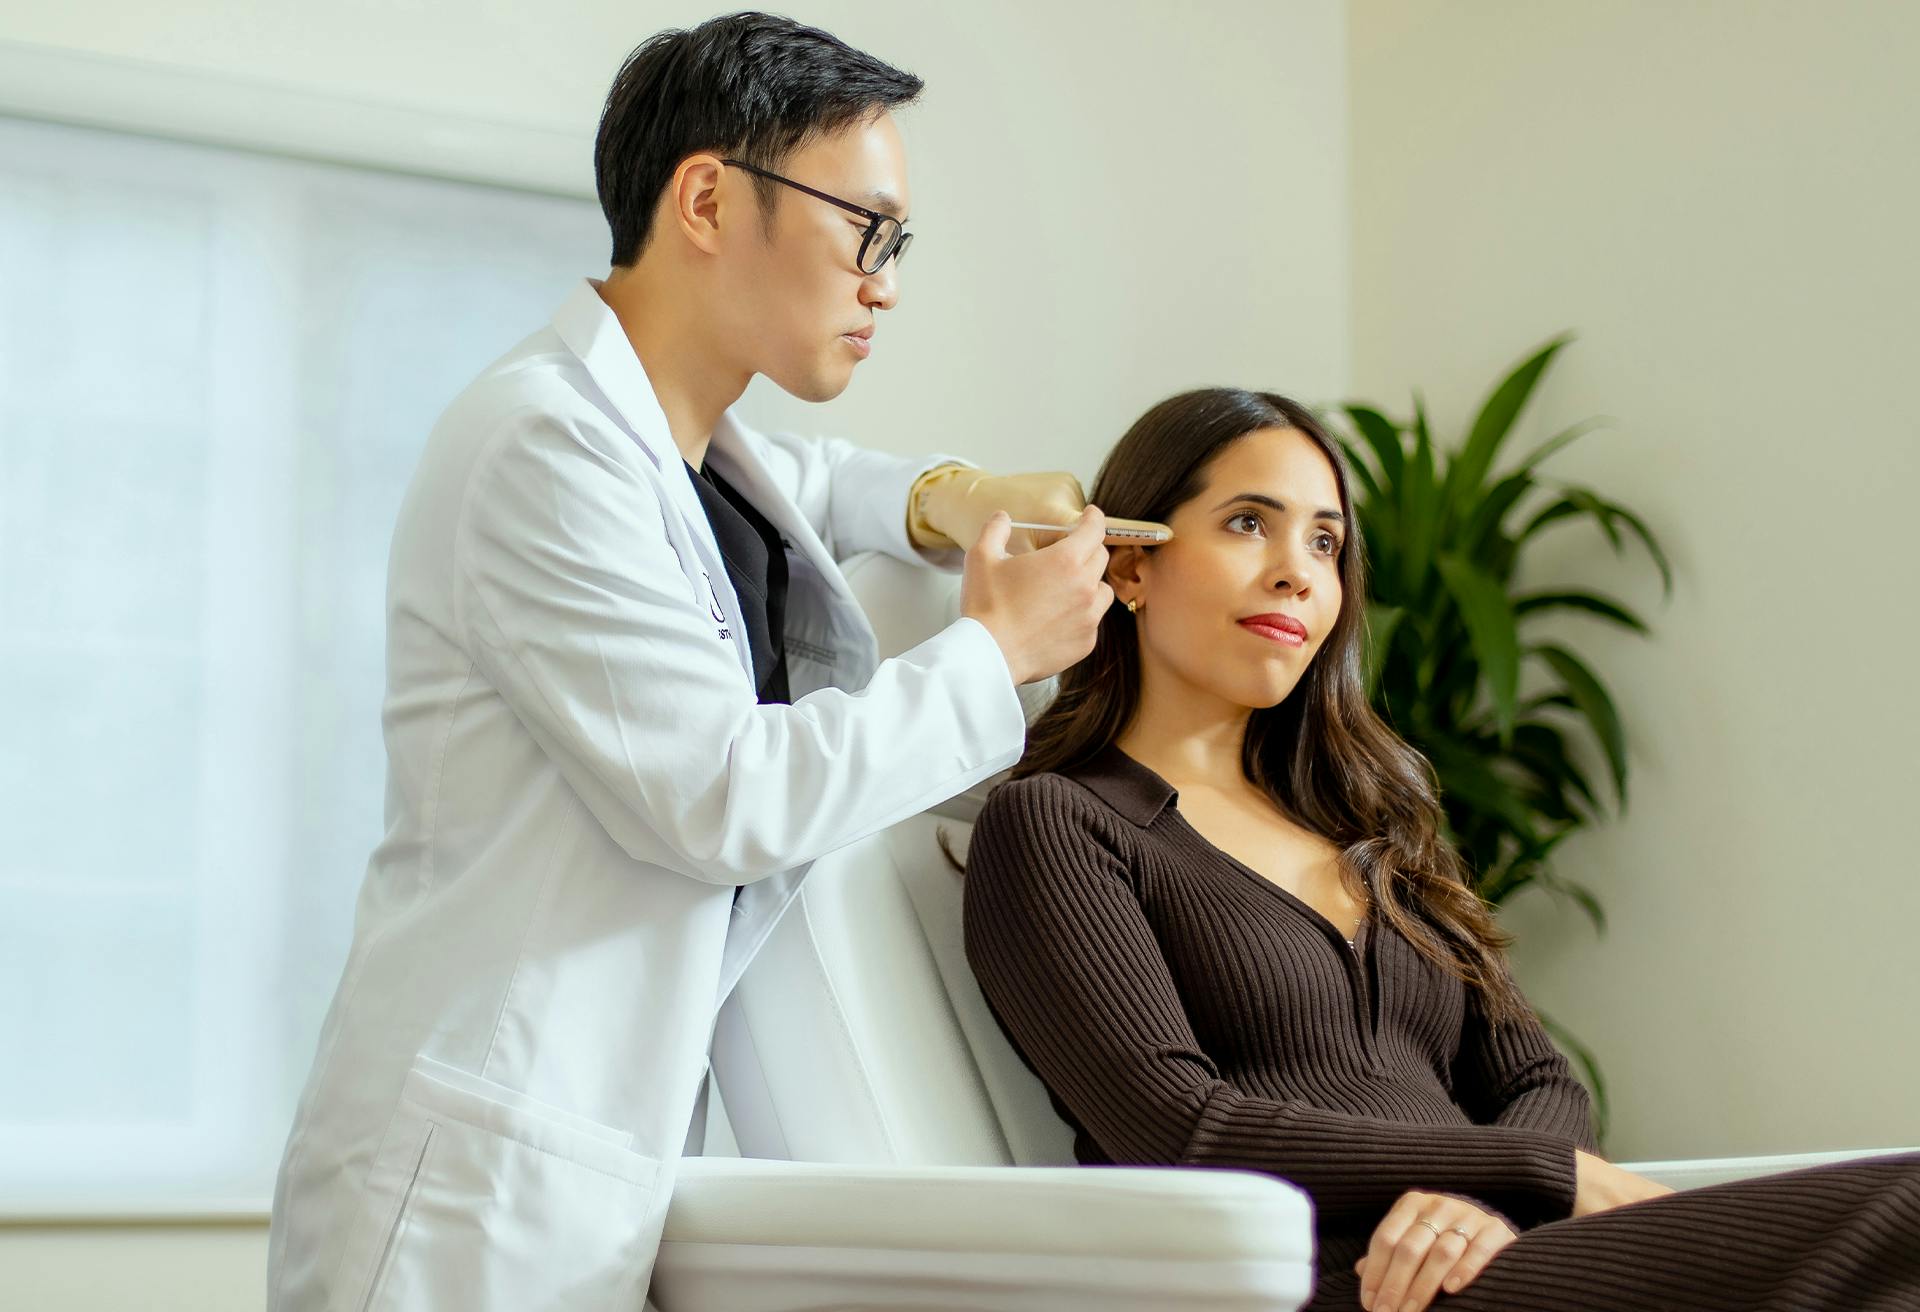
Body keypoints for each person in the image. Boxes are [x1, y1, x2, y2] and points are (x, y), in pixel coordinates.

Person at [266, 13, 1134, 1310]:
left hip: (582, 1184)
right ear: (711, 198)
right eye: (867, 230)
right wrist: (993, 650)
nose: (887, 282)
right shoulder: (545, 448)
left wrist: (948, 498)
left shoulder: (683, 448)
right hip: (466, 1200)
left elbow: (823, 485)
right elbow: (723, 794)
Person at [962, 387, 1920, 1312]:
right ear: (1130, 566)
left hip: (1506, 1264)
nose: (1298, 570)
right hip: (1341, 1288)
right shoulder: (1059, 824)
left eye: (1326, 541)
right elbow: (1182, 1130)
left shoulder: (1374, 829)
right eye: (1250, 523)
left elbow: (1537, 1079)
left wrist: (1480, 1203)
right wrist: (1531, 1170)